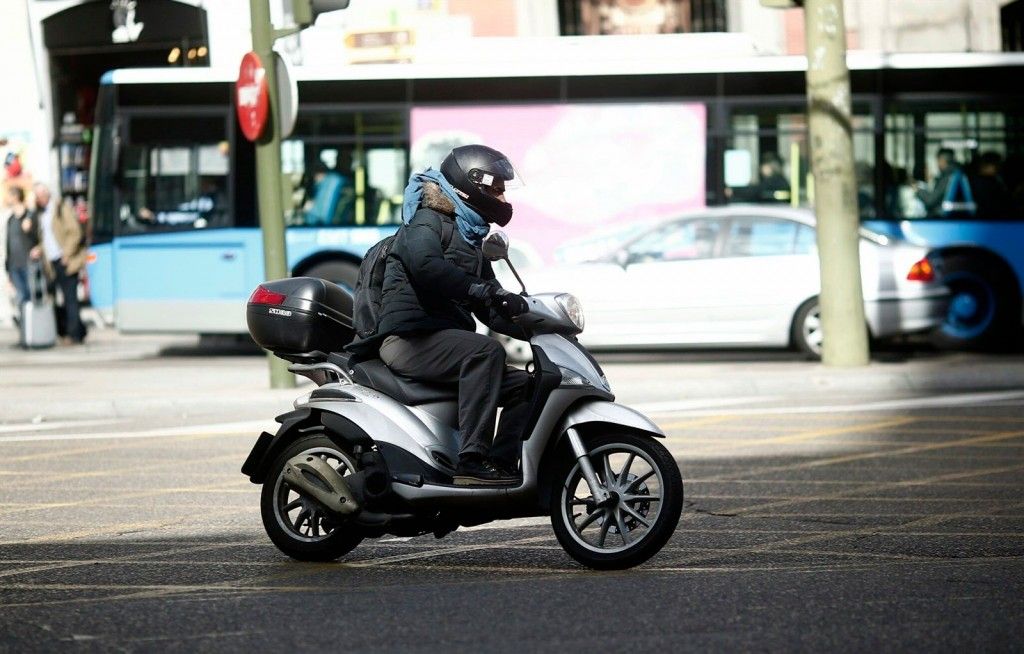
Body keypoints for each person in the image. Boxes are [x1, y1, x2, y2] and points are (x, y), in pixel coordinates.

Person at [376, 145, 531, 485]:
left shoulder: (471, 236)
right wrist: (479, 290)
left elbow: (488, 306)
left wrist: (534, 327)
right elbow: (425, 266)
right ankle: (471, 460)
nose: (503, 198)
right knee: (485, 350)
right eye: (497, 189)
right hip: (408, 339)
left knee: (528, 385)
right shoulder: (427, 220)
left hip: (443, 341)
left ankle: (501, 463)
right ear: (473, 184)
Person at [32, 183, 87, 344]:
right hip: (51, 262)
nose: (38, 199)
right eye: (36, 196)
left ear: (47, 194)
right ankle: (65, 330)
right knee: (53, 297)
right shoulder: (41, 213)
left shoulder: (60, 208)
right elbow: (45, 239)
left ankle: (74, 334)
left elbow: (75, 231)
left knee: (70, 298)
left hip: (66, 260)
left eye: (40, 195)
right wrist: (39, 249)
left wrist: (67, 253)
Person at [4, 186, 38, 335]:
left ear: (16, 197)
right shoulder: (10, 219)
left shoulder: (29, 215)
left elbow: (38, 238)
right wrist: (7, 267)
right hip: (14, 265)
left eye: (9, 195)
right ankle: (25, 332)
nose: (7, 199)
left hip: (27, 263)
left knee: (28, 296)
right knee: (21, 297)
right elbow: (8, 244)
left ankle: (32, 331)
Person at [917, 148, 965, 216]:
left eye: (938, 161)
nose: (937, 164)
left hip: (940, 216)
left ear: (942, 160)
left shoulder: (948, 177)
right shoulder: (955, 173)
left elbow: (930, 200)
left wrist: (917, 190)